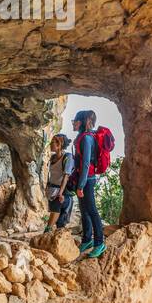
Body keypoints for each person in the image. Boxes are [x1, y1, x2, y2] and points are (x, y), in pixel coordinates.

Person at [72, 110, 105, 258]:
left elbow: (86, 164)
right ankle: (87, 240)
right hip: (83, 178)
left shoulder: (87, 139)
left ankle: (99, 243)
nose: (73, 123)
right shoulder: (84, 137)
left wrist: (81, 185)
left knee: (91, 210)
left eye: (75, 120)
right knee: (84, 209)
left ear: (82, 122)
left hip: (87, 179)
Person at [44, 133, 74, 232]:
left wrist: (60, 193)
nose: (50, 144)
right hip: (53, 190)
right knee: (58, 223)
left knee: (56, 213)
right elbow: (51, 174)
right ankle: (56, 239)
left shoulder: (67, 157)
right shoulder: (52, 158)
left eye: (53, 142)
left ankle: (47, 232)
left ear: (59, 144)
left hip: (62, 191)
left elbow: (66, 175)